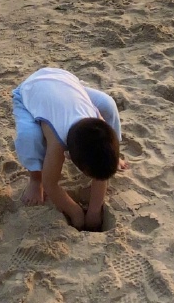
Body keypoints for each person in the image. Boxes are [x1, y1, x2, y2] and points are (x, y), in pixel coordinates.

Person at [12, 67, 122, 230]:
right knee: (29, 137)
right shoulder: (57, 142)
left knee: (108, 104)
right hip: (30, 89)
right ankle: (35, 180)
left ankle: (114, 156)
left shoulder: (97, 120)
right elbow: (51, 184)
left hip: (64, 79)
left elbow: (100, 165)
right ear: (68, 155)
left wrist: (94, 211)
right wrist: (75, 213)